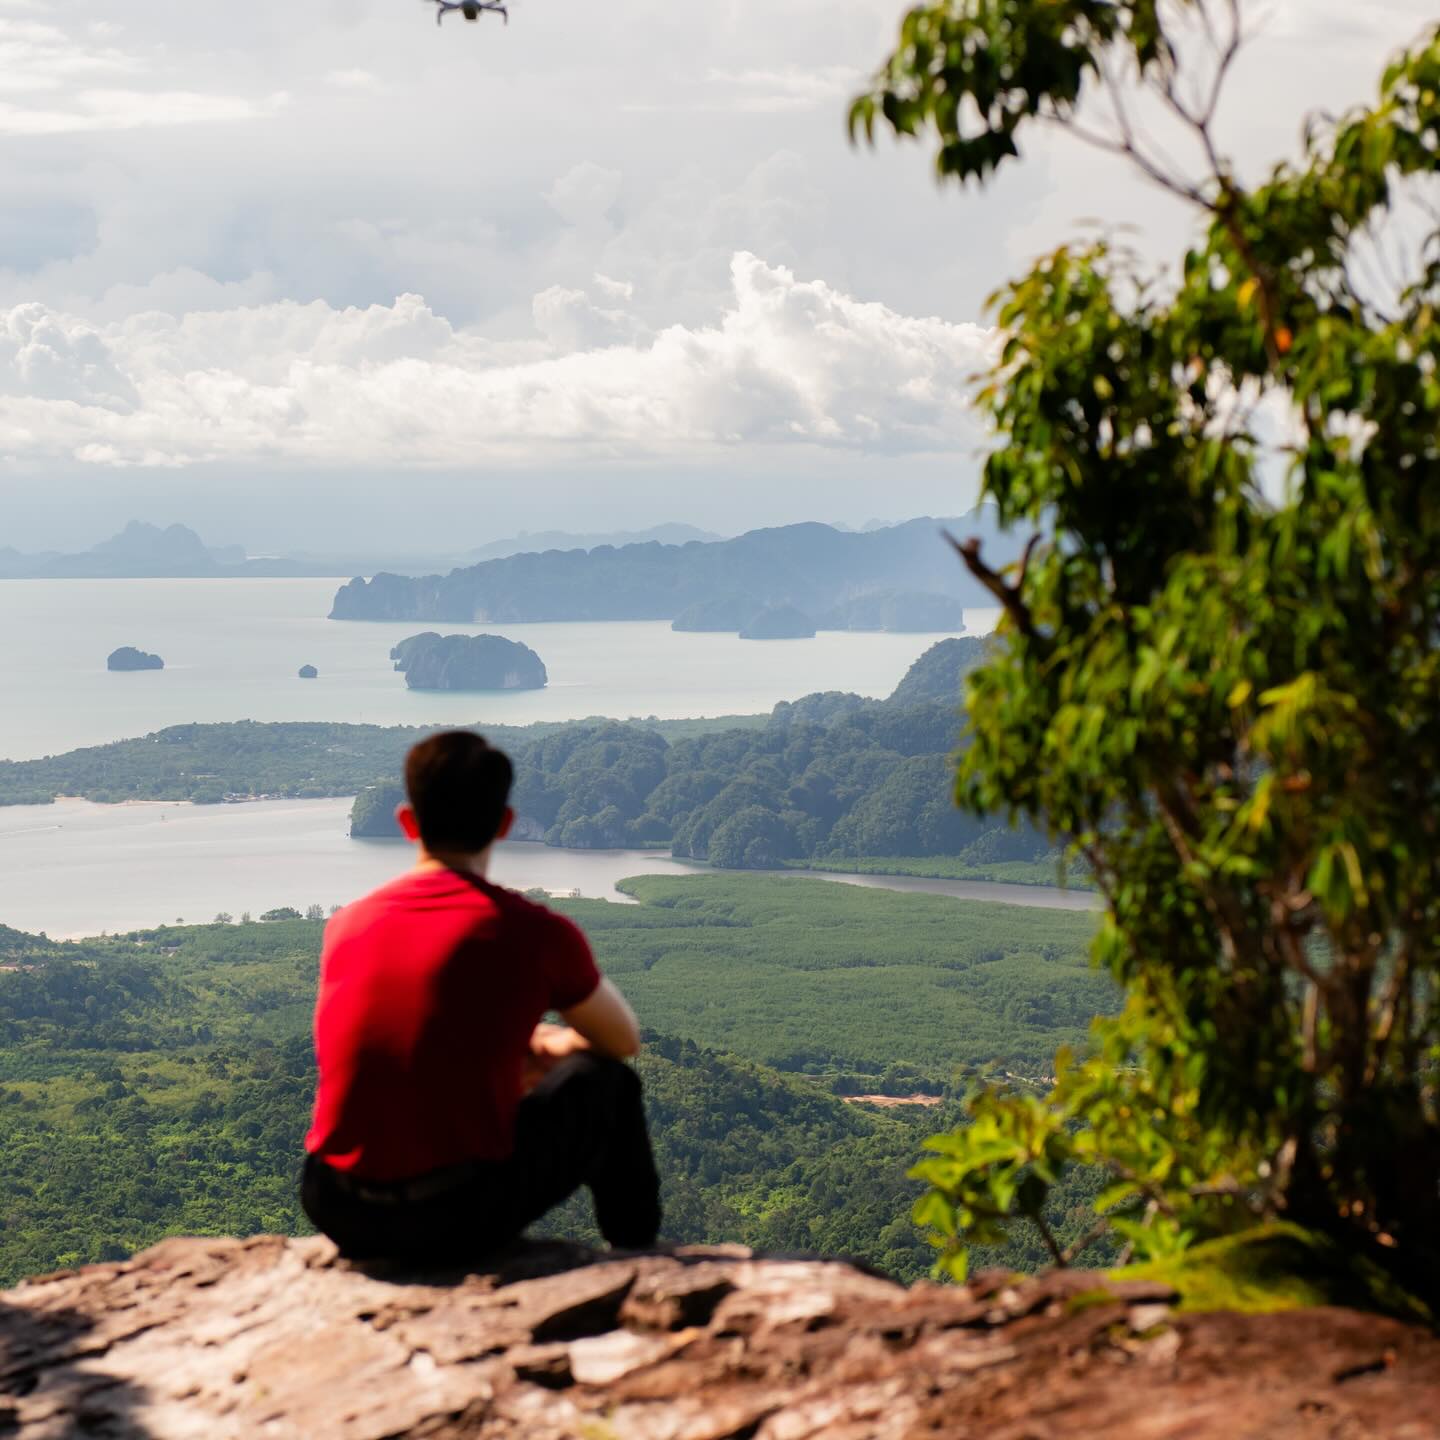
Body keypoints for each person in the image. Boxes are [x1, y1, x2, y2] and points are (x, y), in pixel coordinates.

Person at [301, 729, 661, 1263]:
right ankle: (634, 1258)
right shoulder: (533, 930)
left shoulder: (348, 924)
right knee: (607, 1084)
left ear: (407, 821)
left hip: (336, 1205)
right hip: (456, 1214)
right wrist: (542, 1042)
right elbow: (620, 1040)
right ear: (505, 824)